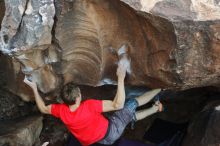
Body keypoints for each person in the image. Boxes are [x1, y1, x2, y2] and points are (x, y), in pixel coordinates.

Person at [24, 54, 163, 146]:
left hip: (100, 141)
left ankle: (155, 108)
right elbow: (117, 104)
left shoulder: (61, 111)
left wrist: (34, 89)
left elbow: (43, 108)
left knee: (126, 116)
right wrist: (120, 77)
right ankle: (162, 89)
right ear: (78, 97)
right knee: (130, 104)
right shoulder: (88, 106)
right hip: (111, 130)